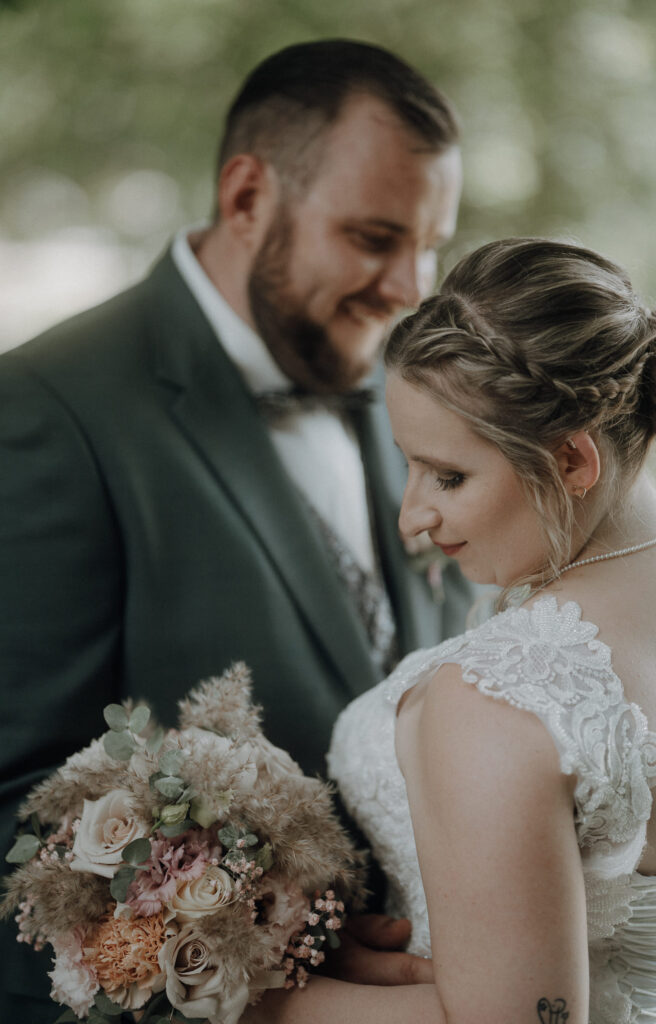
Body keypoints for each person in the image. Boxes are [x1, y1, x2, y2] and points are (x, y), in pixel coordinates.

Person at [0, 40, 474, 1018]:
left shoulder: (412, 399)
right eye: (374, 237)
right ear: (248, 194)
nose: (408, 287)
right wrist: (257, 944)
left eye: (429, 245)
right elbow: (16, 800)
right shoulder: (49, 411)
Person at [242, 237, 656, 1023]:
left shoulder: (501, 699)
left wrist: (241, 1002)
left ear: (572, 461)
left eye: (448, 476)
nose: (413, 516)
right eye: (407, 467)